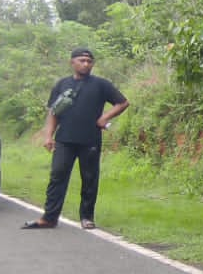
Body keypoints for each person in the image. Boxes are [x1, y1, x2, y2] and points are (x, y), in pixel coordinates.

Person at [23, 47, 129, 231]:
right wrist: (48, 135)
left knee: (89, 178)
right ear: (72, 62)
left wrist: (105, 118)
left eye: (89, 61)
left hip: (90, 140)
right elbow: (54, 112)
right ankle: (49, 218)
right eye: (82, 60)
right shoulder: (62, 85)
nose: (86, 64)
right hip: (64, 139)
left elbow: (122, 102)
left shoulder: (101, 85)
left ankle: (87, 217)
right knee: (57, 176)